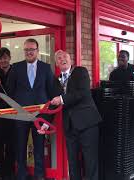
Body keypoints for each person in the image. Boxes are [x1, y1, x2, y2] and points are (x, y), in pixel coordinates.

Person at [39, 50, 102, 180]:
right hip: (70, 127)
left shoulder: (80, 72)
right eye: (59, 58)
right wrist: (45, 124)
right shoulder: (56, 80)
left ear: (70, 59)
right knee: (72, 162)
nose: (62, 59)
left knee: (90, 161)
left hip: (87, 124)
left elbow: (82, 93)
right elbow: (53, 103)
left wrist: (62, 99)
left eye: (65, 56)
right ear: (56, 64)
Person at [7, 38, 54, 180]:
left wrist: (47, 118)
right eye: (26, 50)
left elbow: (51, 92)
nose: (29, 52)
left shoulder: (46, 68)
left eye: (32, 49)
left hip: (40, 115)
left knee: (39, 147)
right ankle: (21, 174)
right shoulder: (16, 67)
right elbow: (10, 90)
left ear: (37, 51)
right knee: (20, 145)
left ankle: (40, 175)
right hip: (20, 115)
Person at [0, 47, 15, 180]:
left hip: (13, 114)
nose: (3, 60)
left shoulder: (17, 72)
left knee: (11, 143)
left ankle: (10, 170)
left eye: (5, 57)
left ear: (9, 58)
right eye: (0, 58)